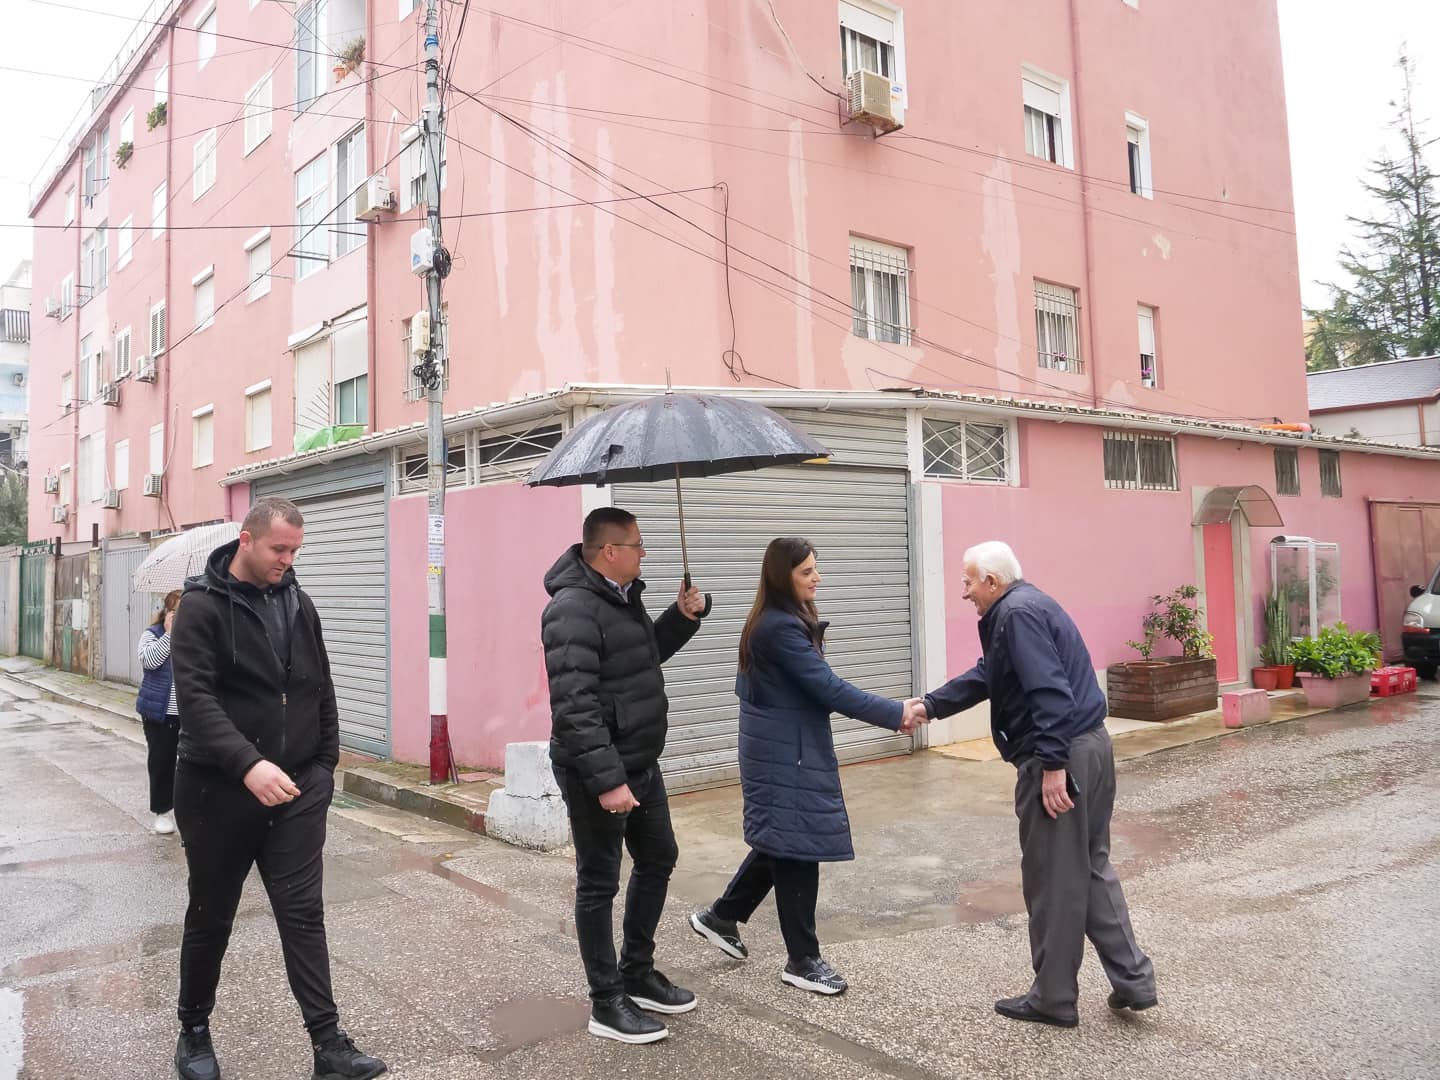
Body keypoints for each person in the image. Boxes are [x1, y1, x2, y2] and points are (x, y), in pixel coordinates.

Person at [170, 497, 386, 1080]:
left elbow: (321, 686)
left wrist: (324, 763)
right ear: (246, 539)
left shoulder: (298, 602)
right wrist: (247, 765)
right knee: (211, 914)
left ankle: (328, 1046)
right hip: (217, 791)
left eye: (295, 551)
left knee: (302, 914)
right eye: (279, 549)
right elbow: (197, 701)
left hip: (295, 789)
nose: (288, 561)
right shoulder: (199, 608)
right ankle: (194, 1031)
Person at [911, 541, 1156, 1029]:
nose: (963, 592)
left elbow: (1049, 691)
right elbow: (992, 675)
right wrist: (931, 705)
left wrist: (1051, 767)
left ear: (992, 582)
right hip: (1092, 746)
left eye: (967, 581)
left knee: (1054, 879)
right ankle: (1134, 980)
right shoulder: (1029, 605)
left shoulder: (1015, 615)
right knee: (1089, 867)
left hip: (1063, 753)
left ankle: (1053, 998)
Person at [689, 538, 927, 996]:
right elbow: (829, 689)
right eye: (806, 572)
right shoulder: (778, 628)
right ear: (783, 577)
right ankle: (802, 960)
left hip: (785, 746)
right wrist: (895, 713)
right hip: (784, 752)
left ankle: (721, 916)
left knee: (781, 840)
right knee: (798, 847)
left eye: (816, 568)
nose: (817, 578)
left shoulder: (784, 620)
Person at [542, 507, 708, 1045]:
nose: (645, 553)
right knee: (598, 882)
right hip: (599, 770)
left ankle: (637, 971)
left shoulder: (622, 597)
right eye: (637, 545)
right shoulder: (571, 609)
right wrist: (608, 780)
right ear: (609, 552)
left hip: (639, 760)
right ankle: (606, 1001)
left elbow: (641, 659)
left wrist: (681, 617)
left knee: (659, 856)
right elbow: (576, 705)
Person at [136, 589, 182, 835]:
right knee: (162, 762)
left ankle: (188, 809)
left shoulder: (195, 636)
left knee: (192, 764)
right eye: (176, 611)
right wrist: (169, 635)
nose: (180, 617)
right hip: (160, 713)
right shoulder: (151, 635)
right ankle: (162, 811)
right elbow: (149, 661)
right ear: (165, 612)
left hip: (190, 712)